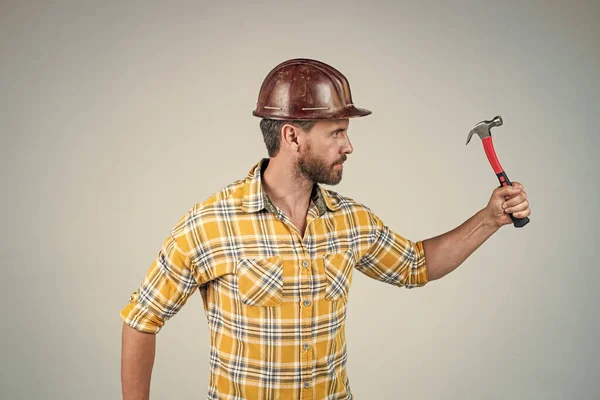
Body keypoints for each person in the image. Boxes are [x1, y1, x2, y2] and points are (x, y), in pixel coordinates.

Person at [120, 58, 531, 400]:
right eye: (336, 132)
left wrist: (490, 217)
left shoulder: (350, 220)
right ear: (292, 136)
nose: (348, 146)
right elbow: (142, 319)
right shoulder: (210, 224)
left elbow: (416, 265)